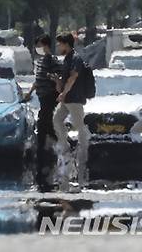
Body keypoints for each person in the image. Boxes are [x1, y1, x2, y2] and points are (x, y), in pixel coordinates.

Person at [53, 32, 90, 188]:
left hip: (74, 99)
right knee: (56, 119)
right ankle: (66, 146)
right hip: (67, 99)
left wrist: (64, 93)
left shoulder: (75, 58)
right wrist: (56, 81)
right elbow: (64, 79)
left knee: (79, 125)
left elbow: (73, 77)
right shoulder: (67, 59)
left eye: (60, 44)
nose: (58, 46)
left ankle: (84, 154)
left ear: (66, 44)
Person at [24, 34, 60, 190]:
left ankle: (54, 156)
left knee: (46, 126)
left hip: (50, 99)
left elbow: (59, 78)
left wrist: (55, 81)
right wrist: (30, 92)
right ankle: (44, 158)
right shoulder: (38, 62)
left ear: (45, 45)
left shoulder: (52, 61)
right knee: (45, 127)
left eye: (38, 45)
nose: (37, 48)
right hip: (42, 99)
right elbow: (37, 80)